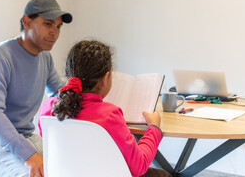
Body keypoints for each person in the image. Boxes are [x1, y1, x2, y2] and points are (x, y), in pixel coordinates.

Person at [0, 0, 72, 177]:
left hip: (25, 136)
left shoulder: (45, 58)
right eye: (48, 24)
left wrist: (88, 97)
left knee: (71, 165)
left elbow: (59, 92)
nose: (55, 32)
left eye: (58, 26)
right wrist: (28, 154)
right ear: (27, 21)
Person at [37, 40, 171, 177]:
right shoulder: (109, 115)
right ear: (105, 78)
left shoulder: (49, 107)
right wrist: (154, 128)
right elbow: (139, 166)